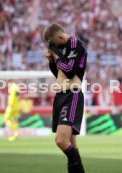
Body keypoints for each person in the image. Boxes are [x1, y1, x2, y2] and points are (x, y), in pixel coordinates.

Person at [43, 23, 87, 173]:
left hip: (72, 94)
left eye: (54, 43)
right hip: (60, 95)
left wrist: (55, 57)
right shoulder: (60, 45)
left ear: (61, 37)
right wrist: (51, 61)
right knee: (71, 145)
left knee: (61, 141)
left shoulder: (76, 45)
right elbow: (59, 73)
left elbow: (69, 71)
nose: (53, 46)